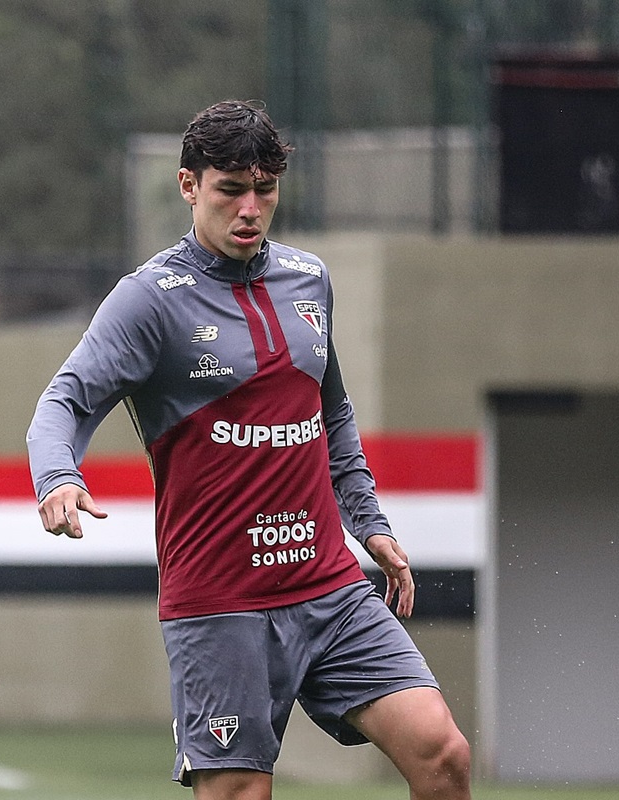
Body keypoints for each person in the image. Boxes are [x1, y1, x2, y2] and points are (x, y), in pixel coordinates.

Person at [27, 100, 471, 800]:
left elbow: (331, 413)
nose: (250, 208)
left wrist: (369, 523)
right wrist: (58, 475)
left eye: (265, 189)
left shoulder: (309, 279)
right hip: (220, 603)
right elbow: (64, 401)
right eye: (231, 189)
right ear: (188, 186)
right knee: (240, 793)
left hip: (327, 586)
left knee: (442, 754)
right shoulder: (149, 300)